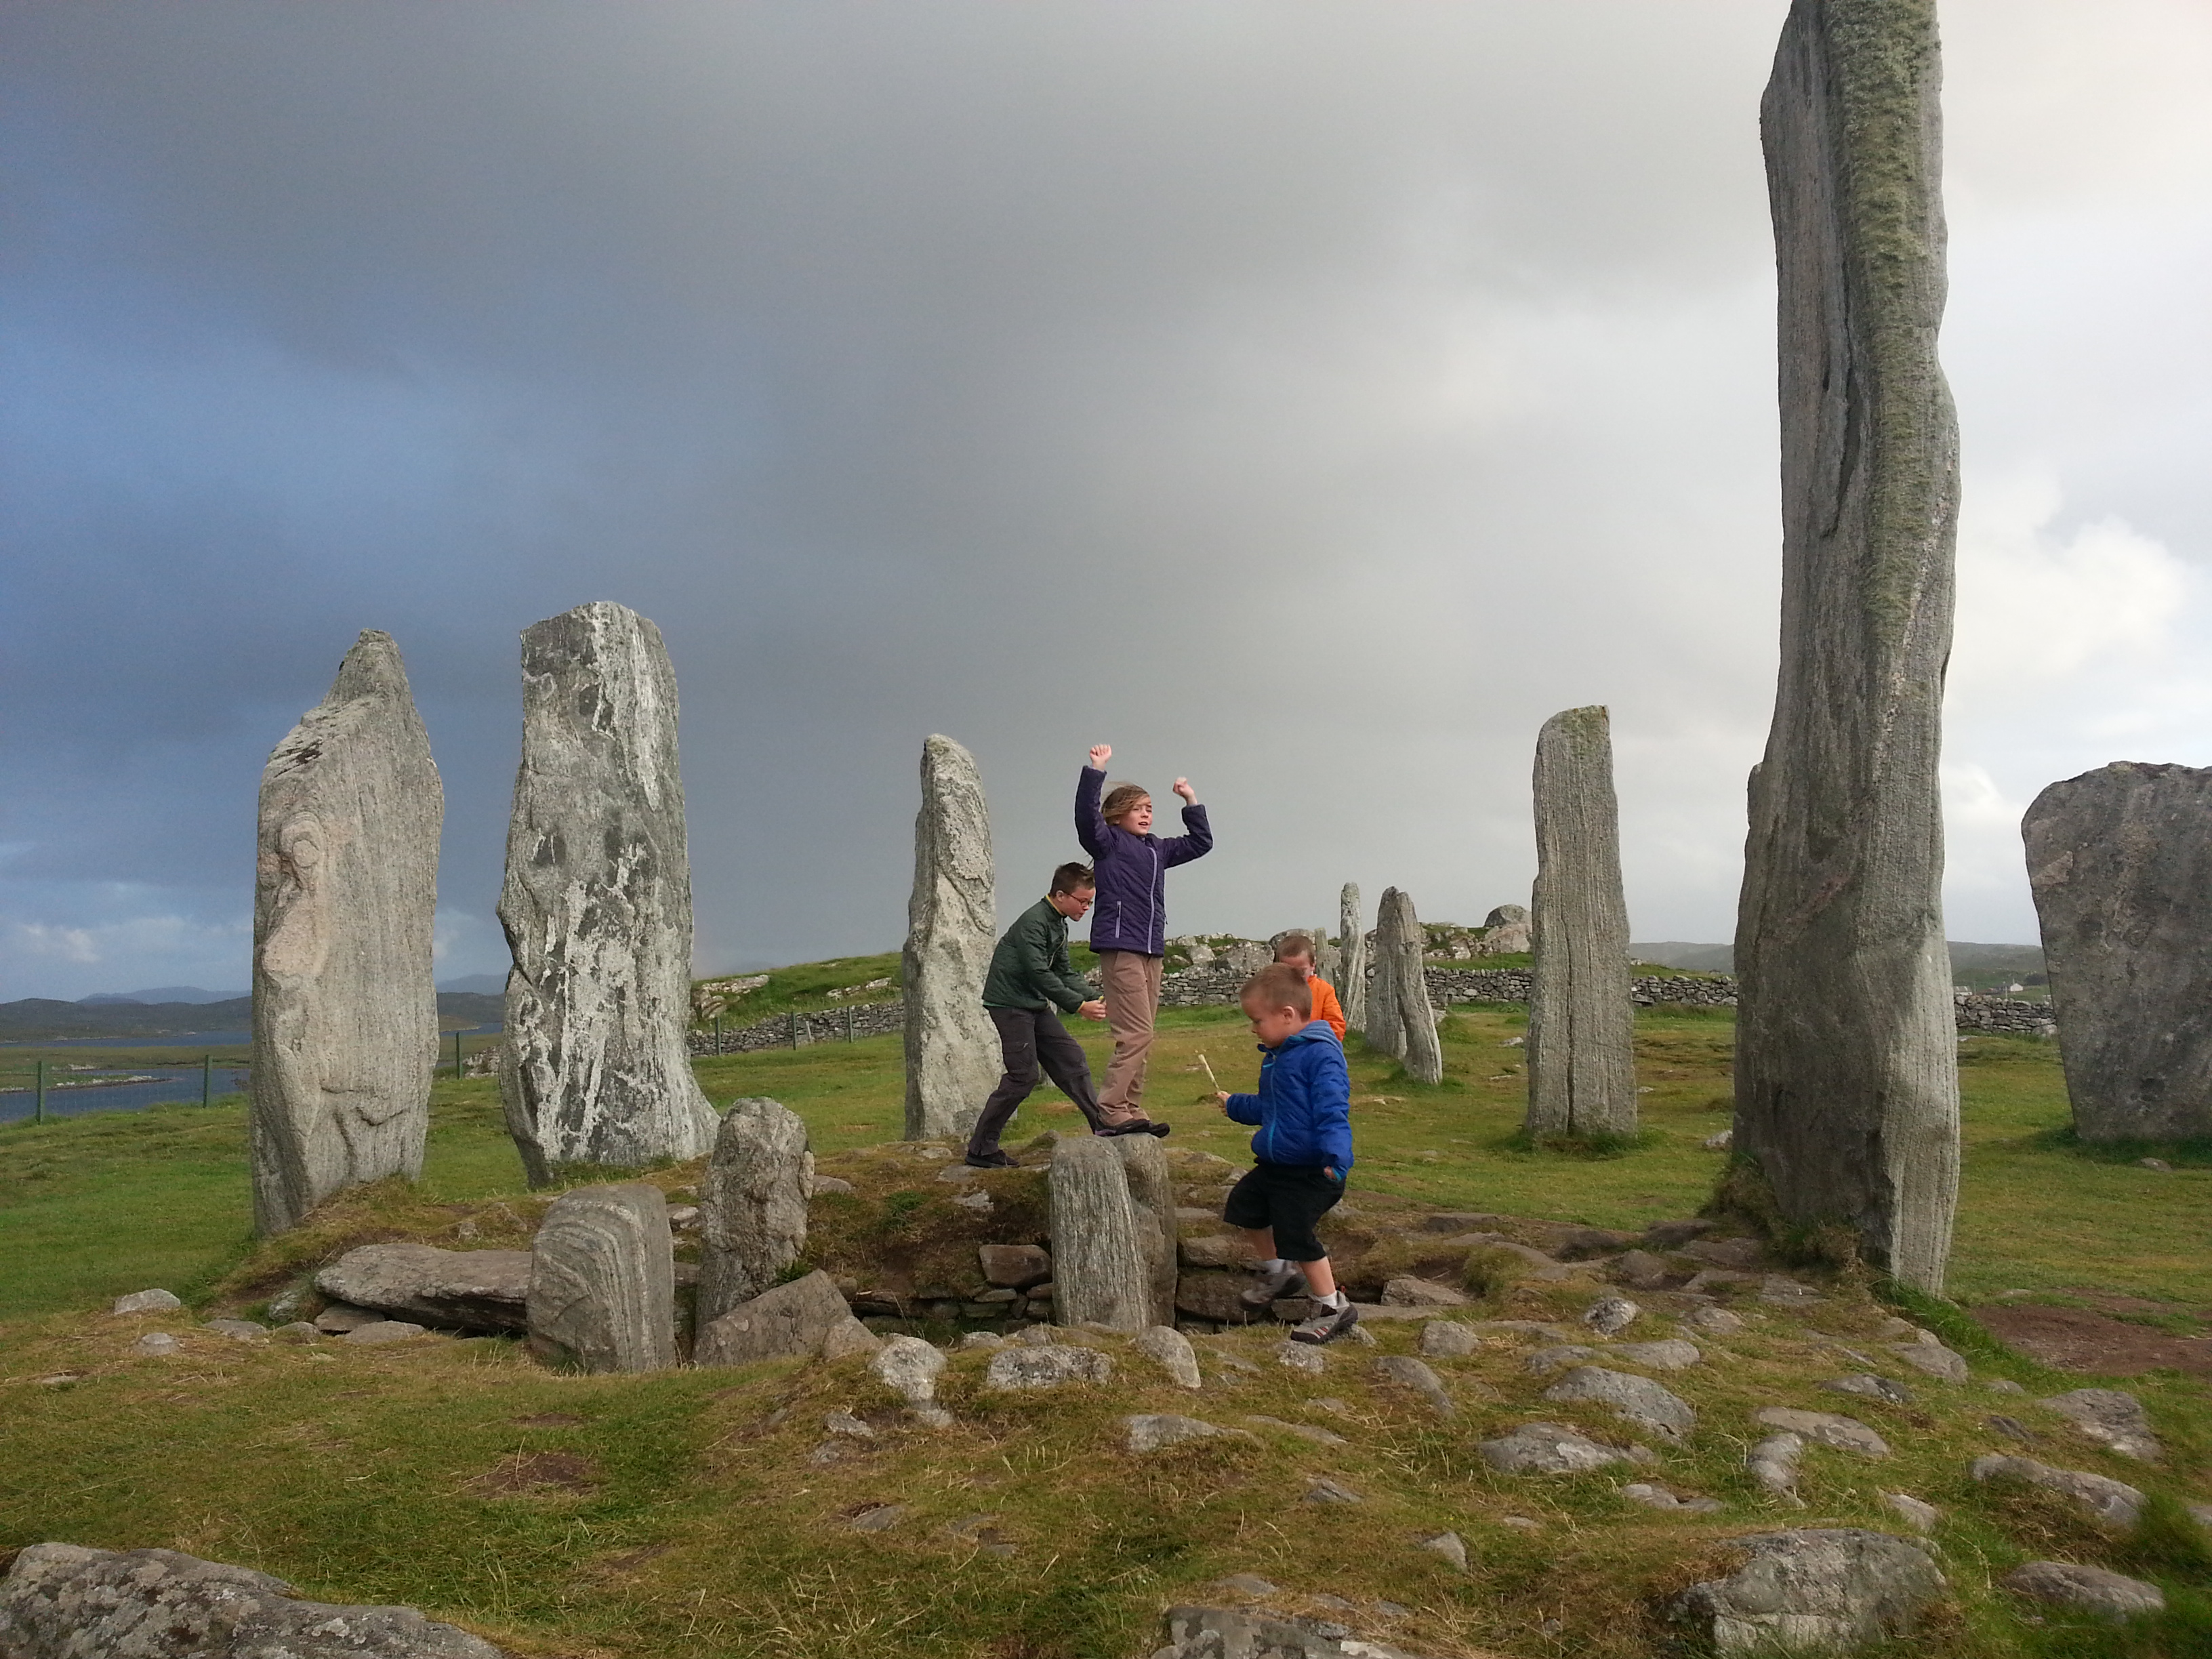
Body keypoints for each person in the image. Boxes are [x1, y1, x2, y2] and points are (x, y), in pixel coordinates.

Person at [1214, 962, 1359, 1344]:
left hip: (1312, 1169)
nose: (1253, 1029)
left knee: (1296, 1233)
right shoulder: (1278, 1055)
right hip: (1277, 1165)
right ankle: (1279, 1271)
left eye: (1257, 1020)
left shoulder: (1320, 1056)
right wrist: (1234, 1106)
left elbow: (1332, 1109)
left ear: (1288, 1015)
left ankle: (1333, 1307)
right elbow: (1271, 1106)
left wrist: (1336, 1156)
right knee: (1245, 1205)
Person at [1076, 742, 1212, 1136]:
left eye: (1151, 808)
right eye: (1139, 808)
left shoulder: (1158, 850)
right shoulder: (1108, 843)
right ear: (1118, 816)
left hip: (1152, 950)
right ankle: (1110, 1109)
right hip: (1121, 948)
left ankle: (1130, 1108)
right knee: (1136, 1033)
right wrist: (1096, 771)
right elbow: (1087, 819)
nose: (1148, 813)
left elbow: (1201, 843)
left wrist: (1190, 800)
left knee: (1144, 1036)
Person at [966, 862, 1111, 1168]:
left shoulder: (1059, 923)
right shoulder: (1034, 922)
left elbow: (1064, 972)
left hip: (1032, 1003)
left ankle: (1104, 1126)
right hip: (1008, 1004)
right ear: (1060, 895)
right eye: (1082, 901)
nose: (1087, 908)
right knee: (1024, 1077)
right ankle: (981, 1149)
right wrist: (1078, 1006)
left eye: (1090, 902)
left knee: (1072, 1060)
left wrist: (1094, 997)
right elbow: (1038, 973)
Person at [1271, 932, 1345, 1043]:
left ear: (1312, 965)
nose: (1295, 976)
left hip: (1316, 1050)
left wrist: (1320, 1046)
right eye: (1288, 971)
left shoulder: (1324, 991)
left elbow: (1336, 1025)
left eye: (1301, 971)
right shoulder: (1274, 991)